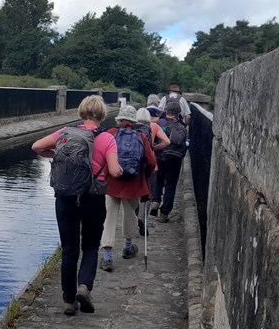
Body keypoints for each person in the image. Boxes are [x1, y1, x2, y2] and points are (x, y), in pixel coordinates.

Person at [31, 95, 123, 316]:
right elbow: (114, 171)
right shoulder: (107, 139)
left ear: (81, 113)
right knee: (90, 245)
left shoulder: (64, 133)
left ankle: (68, 300)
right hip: (92, 199)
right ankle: (84, 286)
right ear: (102, 115)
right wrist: (120, 171)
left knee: (69, 249)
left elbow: (36, 147)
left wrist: (56, 154)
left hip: (65, 198)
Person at [98, 106, 156, 272]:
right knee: (130, 214)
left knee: (109, 217)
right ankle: (127, 247)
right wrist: (144, 176)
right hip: (133, 182)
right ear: (133, 121)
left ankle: (108, 257)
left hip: (111, 182)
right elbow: (151, 162)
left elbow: (100, 157)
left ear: (119, 119)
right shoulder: (141, 136)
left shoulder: (109, 133)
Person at [151, 102, 188, 223]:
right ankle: (164, 213)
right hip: (175, 159)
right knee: (170, 185)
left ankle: (155, 201)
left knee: (158, 179)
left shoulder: (159, 124)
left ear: (166, 111)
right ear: (178, 113)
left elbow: (153, 140)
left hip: (160, 157)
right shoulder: (182, 126)